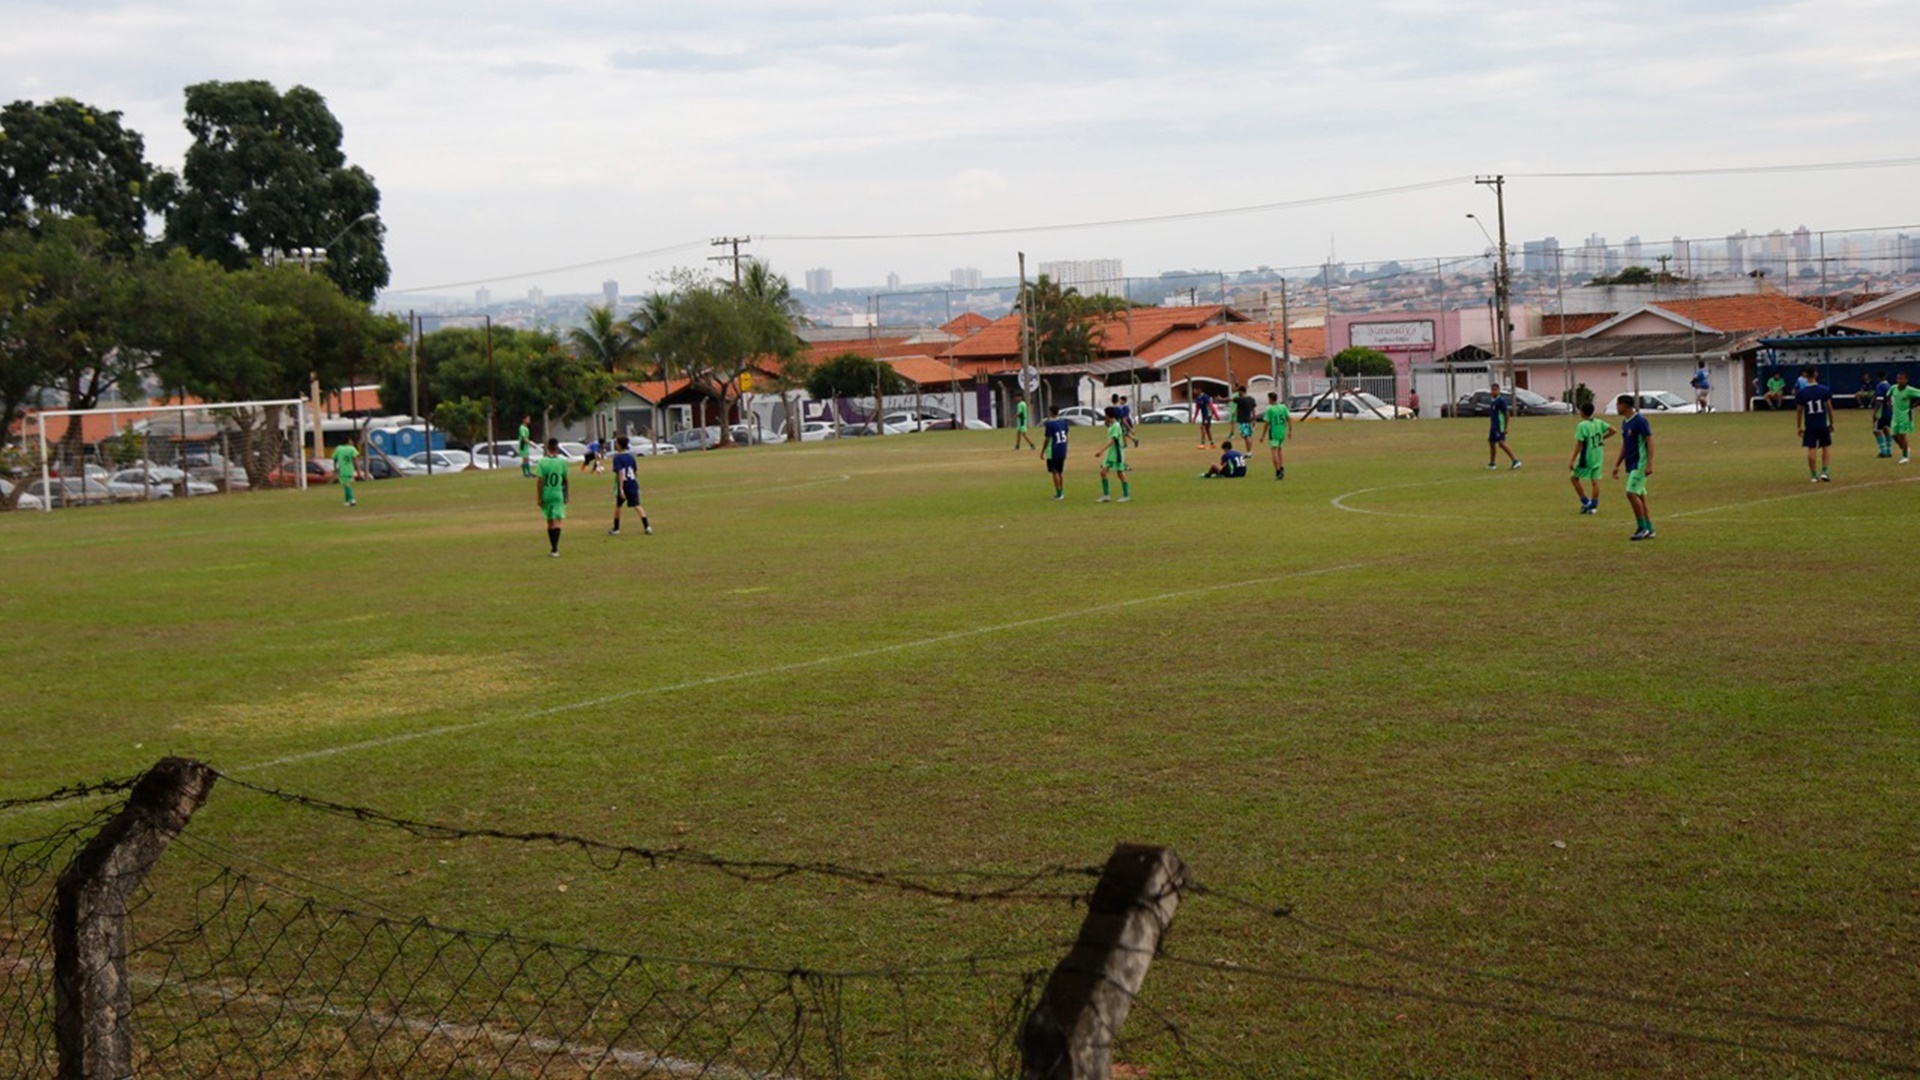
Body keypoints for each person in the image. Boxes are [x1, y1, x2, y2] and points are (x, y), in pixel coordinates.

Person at [1612, 394, 1654, 541]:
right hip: (1630, 464)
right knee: (1641, 497)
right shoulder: (1625, 422)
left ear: (1624, 405)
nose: (1616, 408)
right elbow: (1625, 445)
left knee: (1630, 493)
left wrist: (1649, 463)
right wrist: (1617, 464)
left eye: (1618, 404)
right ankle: (1650, 528)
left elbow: (1649, 441)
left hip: (1640, 464)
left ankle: (1641, 528)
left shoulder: (1640, 421)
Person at [1567, 401, 1613, 514]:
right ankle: (1594, 506)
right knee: (1595, 481)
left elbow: (1580, 444)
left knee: (1574, 478)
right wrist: (1602, 438)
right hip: (1598, 455)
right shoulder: (1599, 422)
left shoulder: (1582, 425)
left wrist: (1572, 460)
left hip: (1587, 457)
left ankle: (1586, 502)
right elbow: (1613, 430)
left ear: (1582, 413)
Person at [1797, 369, 1835, 482]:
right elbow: (1829, 408)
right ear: (1816, 374)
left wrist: (1798, 426)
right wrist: (1832, 423)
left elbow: (1799, 411)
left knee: (1811, 448)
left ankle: (1813, 475)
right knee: (1826, 446)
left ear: (1805, 376)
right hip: (1822, 424)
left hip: (1810, 425)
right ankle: (1825, 472)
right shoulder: (1824, 390)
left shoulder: (1802, 393)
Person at [608, 436, 651, 535]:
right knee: (637, 505)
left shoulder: (617, 458)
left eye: (616, 443)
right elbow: (634, 472)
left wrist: (621, 489)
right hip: (632, 483)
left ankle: (616, 528)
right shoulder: (631, 457)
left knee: (618, 506)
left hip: (624, 484)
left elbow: (621, 473)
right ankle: (647, 526)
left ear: (619, 445)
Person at [536, 436, 570, 556]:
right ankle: (555, 548)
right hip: (557, 493)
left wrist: (539, 497)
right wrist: (567, 495)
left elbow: (540, 481)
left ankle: (553, 547)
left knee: (550, 521)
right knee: (558, 521)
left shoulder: (542, 462)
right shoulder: (562, 462)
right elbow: (565, 480)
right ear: (557, 448)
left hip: (547, 493)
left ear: (547, 448)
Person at [1096, 407, 1130, 503]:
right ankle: (1106, 496)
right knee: (1103, 472)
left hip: (1116, 454)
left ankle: (1126, 495)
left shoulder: (1116, 426)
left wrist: (1101, 451)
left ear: (1108, 415)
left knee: (1120, 473)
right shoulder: (1112, 425)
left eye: (1105, 414)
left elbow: (1113, 440)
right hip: (1110, 454)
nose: (1104, 416)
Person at [1485, 382, 1520, 469]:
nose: (1493, 392)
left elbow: (1507, 413)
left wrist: (1506, 427)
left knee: (1501, 443)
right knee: (1491, 443)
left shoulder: (1500, 401)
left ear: (1498, 391)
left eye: (1495, 390)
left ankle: (1515, 461)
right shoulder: (1493, 401)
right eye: (1492, 390)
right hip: (1493, 426)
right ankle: (1492, 464)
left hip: (1499, 426)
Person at [1889, 371, 1920, 464]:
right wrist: (1890, 406)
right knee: (1894, 435)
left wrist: (1914, 405)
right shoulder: (1893, 388)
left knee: (1902, 435)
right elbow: (1888, 396)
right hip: (1895, 416)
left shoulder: (1909, 390)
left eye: (1902, 378)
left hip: (1905, 416)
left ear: (1906, 380)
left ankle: (1905, 457)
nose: (1900, 380)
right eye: (1898, 378)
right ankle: (1905, 449)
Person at [1258, 391, 1291, 480]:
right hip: (1282, 431)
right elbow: (1289, 418)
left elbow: (1267, 423)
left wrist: (1262, 436)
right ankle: (1281, 467)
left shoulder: (1270, 409)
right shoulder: (1283, 407)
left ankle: (1278, 471)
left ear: (1270, 399)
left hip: (1274, 432)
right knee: (1280, 451)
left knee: (1274, 452)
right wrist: (1290, 431)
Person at [1041, 405, 1071, 499]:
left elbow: (1047, 438)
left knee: (1055, 472)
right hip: (1062, 448)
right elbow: (1065, 433)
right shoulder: (1063, 422)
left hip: (1053, 449)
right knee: (1060, 471)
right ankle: (1061, 491)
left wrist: (1042, 451)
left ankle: (1059, 494)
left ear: (1050, 412)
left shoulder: (1049, 424)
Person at [331, 438, 360, 507]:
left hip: (343, 469)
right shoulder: (352, 449)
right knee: (345, 484)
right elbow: (356, 459)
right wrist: (358, 470)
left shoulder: (338, 449)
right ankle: (347, 501)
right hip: (350, 469)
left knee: (346, 484)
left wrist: (335, 468)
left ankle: (352, 499)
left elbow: (334, 459)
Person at [1873, 371, 1893, 458]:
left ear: (1878, 378)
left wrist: (1875, 412)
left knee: (1876, 430)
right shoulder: (1890, 386)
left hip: (1882, 412)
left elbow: (1880, 401)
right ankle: (1889, 450)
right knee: (1886, 428)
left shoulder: (1880, 386)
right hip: (1889, 411)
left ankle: (1883, 451)